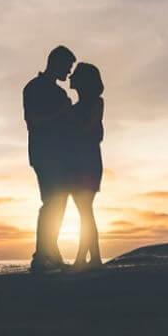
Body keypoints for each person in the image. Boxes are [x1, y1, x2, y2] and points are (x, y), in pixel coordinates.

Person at [23, 45, 76, 273]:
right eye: (68, 67)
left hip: (60, 155)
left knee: (59, 203)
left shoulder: (60, 93)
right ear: (56, 63)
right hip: (45, 154)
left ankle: (50, 252)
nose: (69, 73)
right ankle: (41, 255)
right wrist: (63, 112)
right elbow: (33, 121)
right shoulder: (34, 88)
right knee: (51, 203)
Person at [67, 62, 104, 271]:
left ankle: (85, 258)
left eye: (75, 75)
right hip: (77, 163)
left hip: (87, 163)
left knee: (85, 211)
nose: (70, 77)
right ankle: (93, 257)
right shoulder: (73, 108)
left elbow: (91, 131)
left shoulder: (95, 103)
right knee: (85, 211)